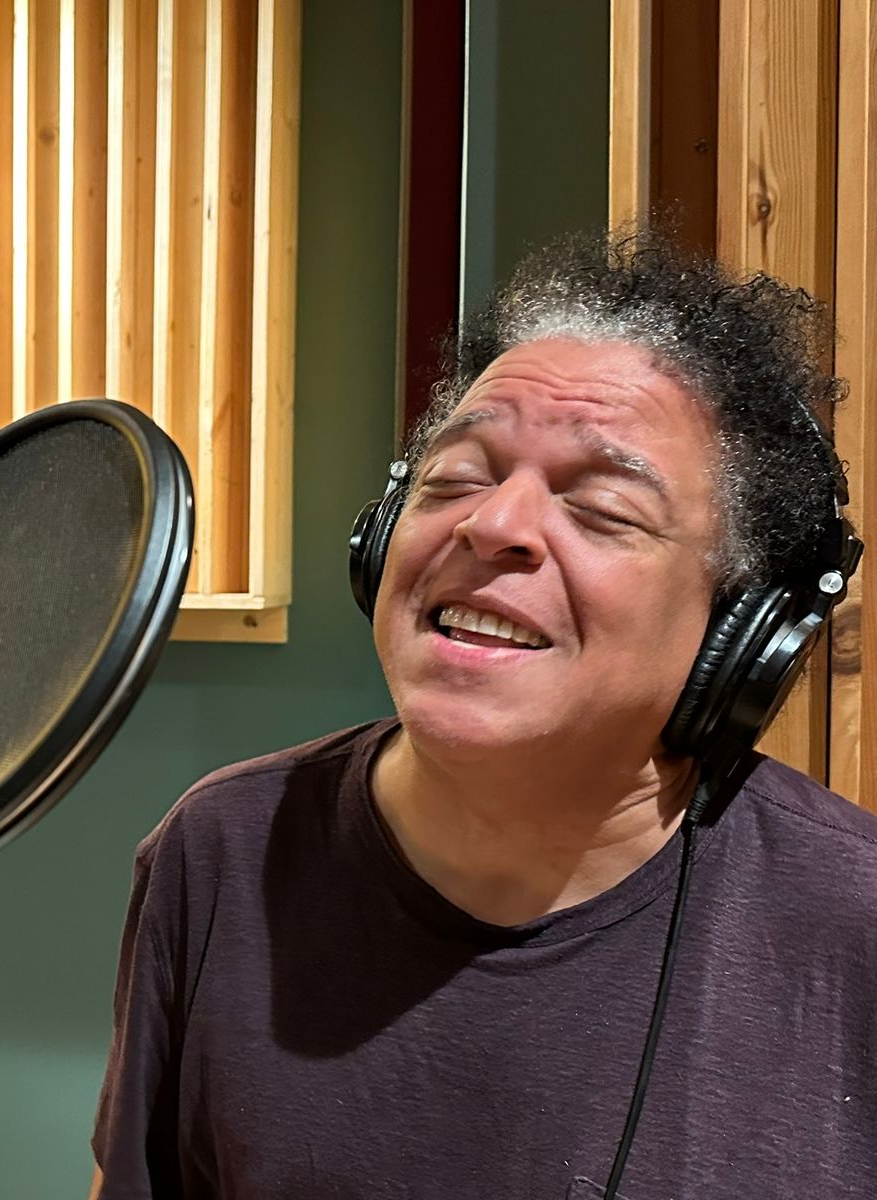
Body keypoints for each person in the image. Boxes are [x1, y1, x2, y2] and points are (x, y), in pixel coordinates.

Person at [87, 230, 877, 1199]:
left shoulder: (852, 922)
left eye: (601, 509)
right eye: (455, 479)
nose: (492, 524)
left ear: (740, 629)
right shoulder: (224, 850)